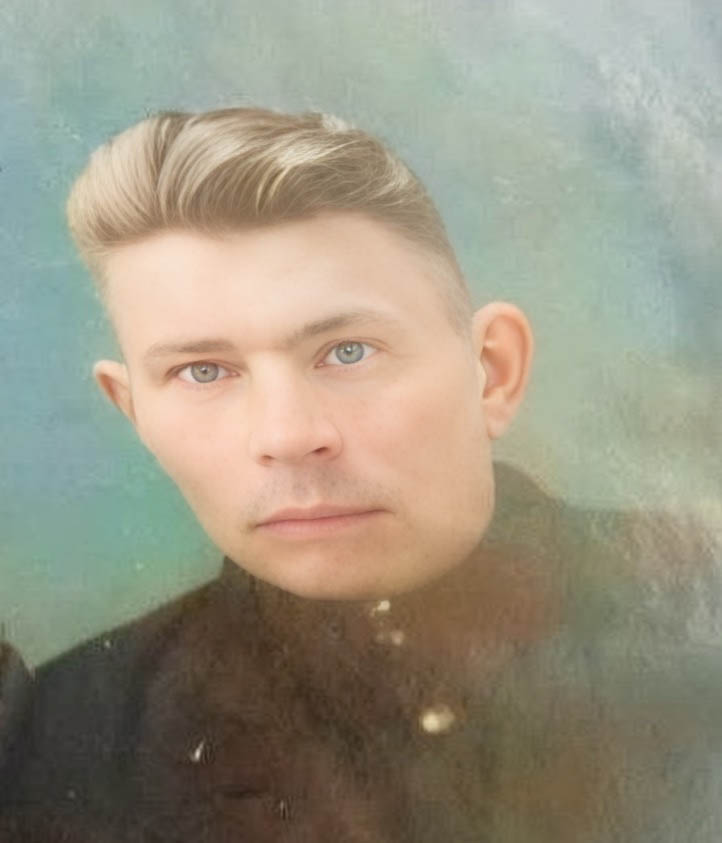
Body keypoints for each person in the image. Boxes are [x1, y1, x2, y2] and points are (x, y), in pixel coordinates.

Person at [1, 106, 720, 842]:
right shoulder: (56, 741)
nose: (288, 435)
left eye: (349, 352)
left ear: (493, 370)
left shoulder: (702, 607)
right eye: (203, 371)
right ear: (134, 414)